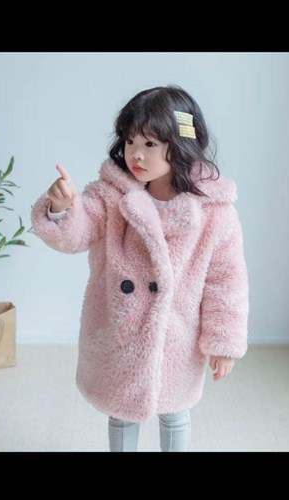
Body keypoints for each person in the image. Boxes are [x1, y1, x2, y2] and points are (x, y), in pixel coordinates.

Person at [31, 85, 249, 452]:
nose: (136, 153)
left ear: (180, 144)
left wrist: (223, 342)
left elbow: (226, 282)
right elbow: (79, 231)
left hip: (176, 334)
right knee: (121, 412)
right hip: (120, 328)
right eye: (130, 141)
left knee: (175, 411)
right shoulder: (111, 195)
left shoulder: (214, 213)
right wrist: (62, 208)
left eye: (150, 144)